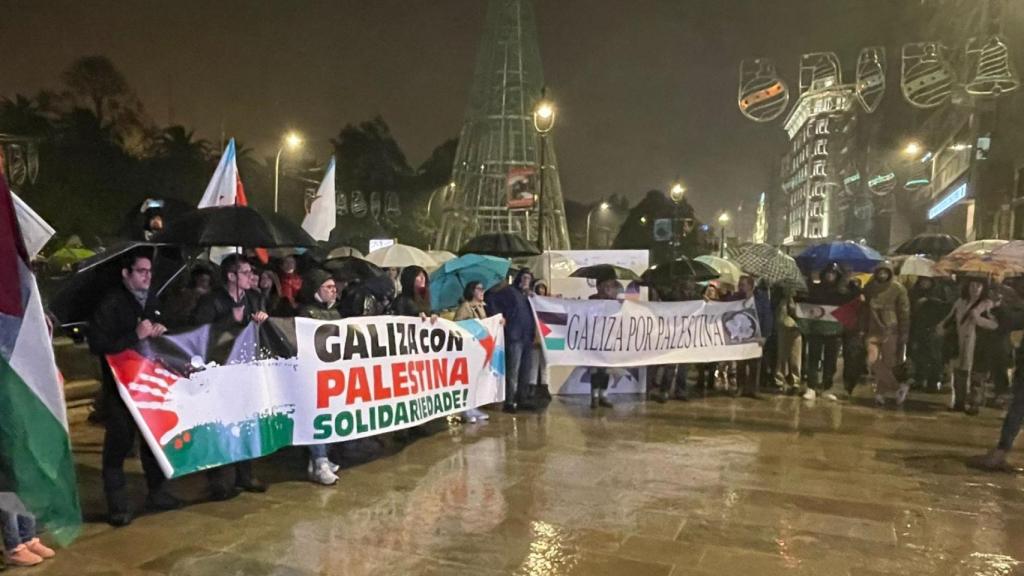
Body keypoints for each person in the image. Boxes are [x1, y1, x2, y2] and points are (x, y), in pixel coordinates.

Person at [89, 251, 182, 526]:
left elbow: (159, 328)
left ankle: (158, 491)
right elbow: (98, 343)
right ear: (126, 274)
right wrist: (134, 336)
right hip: (120, 390)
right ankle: (117, 506)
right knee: (118, 445)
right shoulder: (111, 303)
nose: (147, 276)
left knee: (153, 442)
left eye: (149, 272)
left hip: (147, 385)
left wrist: (160, 330)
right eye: (141, 271)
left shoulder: (150, 300)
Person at [192, 254, 270, 499]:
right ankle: (219, 479)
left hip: (246, 371)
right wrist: (229, 321)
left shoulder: (254, 298)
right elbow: (198, 333)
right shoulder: (211, 301)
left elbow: (265, 328)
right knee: (221, 425)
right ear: (231, 276)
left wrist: (262, 321)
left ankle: (245, 474)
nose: (251, 277)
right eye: (245, 273)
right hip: (219, 374)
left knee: (247, 421)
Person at [297, 268, 343, 485]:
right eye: (329, 287)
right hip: (313, 374)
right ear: (317, 289)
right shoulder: (305, 312)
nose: (334, 291)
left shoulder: (336, 312)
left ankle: (318, 460)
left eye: (334, 287)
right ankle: (320, 459)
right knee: (318, 416)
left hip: (332, 373)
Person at [938, 278, 997, 414]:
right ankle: (959, 401)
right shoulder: (961, 302)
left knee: (976, 374)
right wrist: (942, 327)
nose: (975, 288)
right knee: (959, 372)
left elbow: (994, 325)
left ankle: (974, 403)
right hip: (959, 341)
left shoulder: (988, 304)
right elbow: (950, 317)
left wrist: (977, 318)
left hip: (977, 343)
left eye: (979, 285)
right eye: (972, 285)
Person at [485, 270, 537, 413]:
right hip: (514, 337)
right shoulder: (509, 292)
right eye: (525, 277)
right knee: (513, 370)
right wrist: (500, 319)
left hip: (527, 337)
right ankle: (510, 400)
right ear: (519, 278)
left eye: (529, 278)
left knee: (525, 370)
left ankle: (522, 398)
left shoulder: (529, 296)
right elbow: (492, 301)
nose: (527, 280)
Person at [862, 262, 910, 407]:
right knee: (872, 361)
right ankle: (897, 387)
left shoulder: (898, 288)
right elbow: (864, 310)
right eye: (880, 272)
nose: (882, 275)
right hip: (873, 329)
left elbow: (904, 311)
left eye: (885, 272)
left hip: (891, 329)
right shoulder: (870, 288)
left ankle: (880, 393)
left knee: (889, 362)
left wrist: (904, 332)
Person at [803, 262, 850, 401]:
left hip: (834, 331)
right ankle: (811, 386)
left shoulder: (842, 292)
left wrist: (847, 280)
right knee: (813, 358)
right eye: (828, 273)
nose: (830, 276)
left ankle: (826, 387)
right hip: (816, 329)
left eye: (833, 273)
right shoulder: (816, 289)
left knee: (830, 360)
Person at [454, 281, 493, 423]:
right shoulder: (465, 307)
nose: (482, 291)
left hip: (479, 349)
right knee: (468, 379)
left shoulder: (482, 307)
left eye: (483, 289)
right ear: (472, 291)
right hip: (469, 349)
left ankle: (474, 406)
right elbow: (457, 324)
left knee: (477, 378)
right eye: (479, 289)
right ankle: (466, 408)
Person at [908, 276, 952, 392]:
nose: (925, 283)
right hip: (918, 327)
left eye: (927, 280)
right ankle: (919, 378)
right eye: (923, 280)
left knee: (934, 356)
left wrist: (930, 300)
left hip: (934, 327)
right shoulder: (914, 292)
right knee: (919, 354)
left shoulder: (940, 291)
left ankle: (933, 380)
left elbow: (947, 308)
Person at [731, 275, 770, 398]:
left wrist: (765, 335)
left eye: (743, 285)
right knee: (741, 363)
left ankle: (754, 389)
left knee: (755, 364)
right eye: (740, 284)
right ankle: (740, 387)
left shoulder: (761, 298)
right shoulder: (736, 297)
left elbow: (767, 317)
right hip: (741, 335)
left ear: (750, 286)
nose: (740, 287)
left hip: (756, 335)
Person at [587, 274, 620, 408]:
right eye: (605, 285)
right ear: (599, 286)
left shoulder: (614, 301)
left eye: (610, 286)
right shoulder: (592, 299)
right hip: (595, 337)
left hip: (608, 337)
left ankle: (603, 395)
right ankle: (594, 396)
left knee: (605, 369)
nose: (608, 288)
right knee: (596, 368)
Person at [773, 285, 802, 395]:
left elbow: (800, 313)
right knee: (782, 355)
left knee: (795, 356)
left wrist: (792, 304)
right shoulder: (780, 298)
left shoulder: (800, 298)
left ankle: (795, 381)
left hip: (796, 328)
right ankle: (779, 380)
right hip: (783, 327)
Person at [530, 279, 552, 401]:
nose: (541, 290)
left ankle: (544, 386)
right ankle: (532, 386)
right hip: (535, 336)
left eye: (543, 288)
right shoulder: (532, 301)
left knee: (545, 364)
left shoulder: (548, 302)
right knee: (533, 364)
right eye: (539, 288)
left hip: (546, 337)